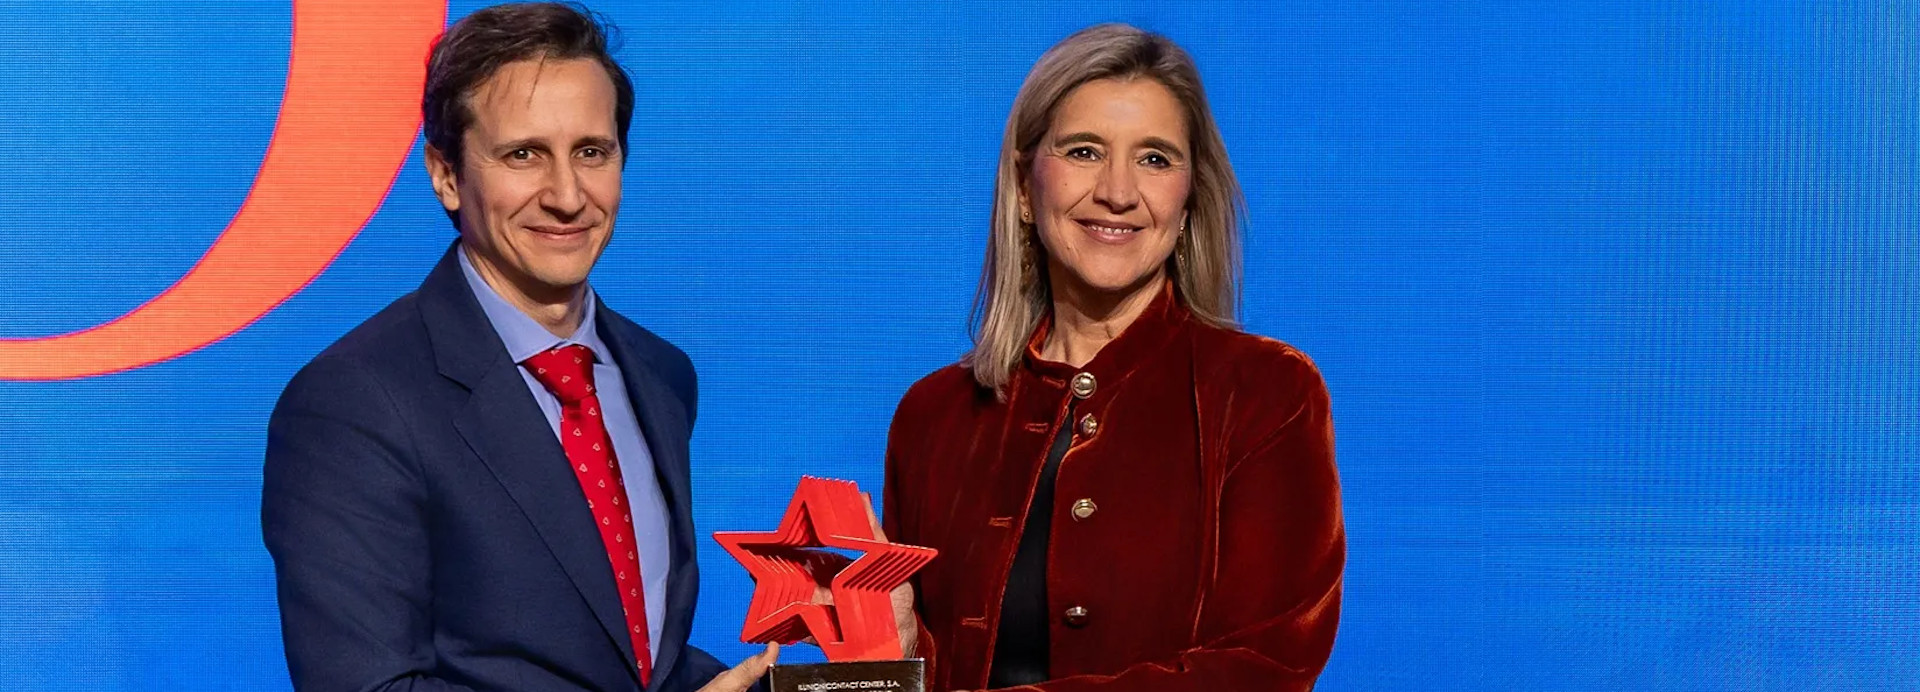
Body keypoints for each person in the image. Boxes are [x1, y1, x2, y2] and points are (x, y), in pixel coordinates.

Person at [261, 4, 775, 690]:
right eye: (523, 155)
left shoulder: (661, 375)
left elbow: (630, 664)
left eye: (591, 152)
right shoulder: (356, 402)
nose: (567, 195)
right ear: (446, 175)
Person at [881, 24, 1345, 691]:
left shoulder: (1267, 393)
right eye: (1084, 151)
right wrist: (889, 650)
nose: (1118, 192)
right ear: (1023, 188)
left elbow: (1266, 666)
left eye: (1154, 158)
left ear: (1188, 201)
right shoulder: (932, 415)